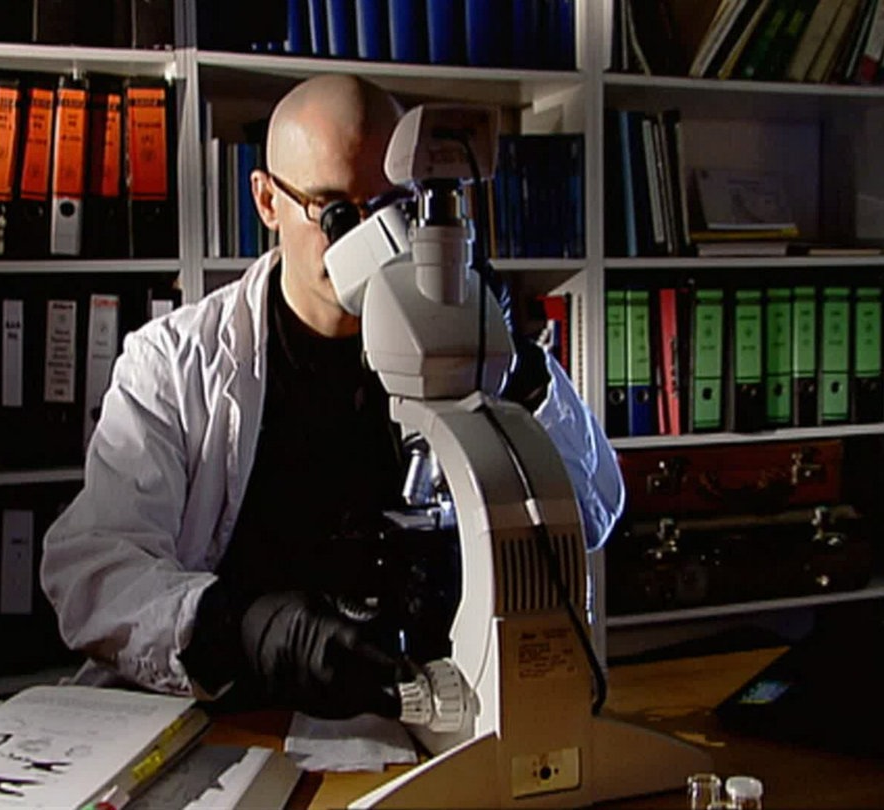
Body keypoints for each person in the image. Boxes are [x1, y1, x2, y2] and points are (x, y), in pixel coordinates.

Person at [40, 74, 623, 720]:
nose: (363, 240)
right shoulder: (175, 364)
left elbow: (593, 512)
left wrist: (513, 361)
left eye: (389, 208)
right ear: (267, 200)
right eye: (334, 210)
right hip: (239, 714)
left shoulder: (459, 342)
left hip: (420, 706)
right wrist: (246, 630)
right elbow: (95, 570)